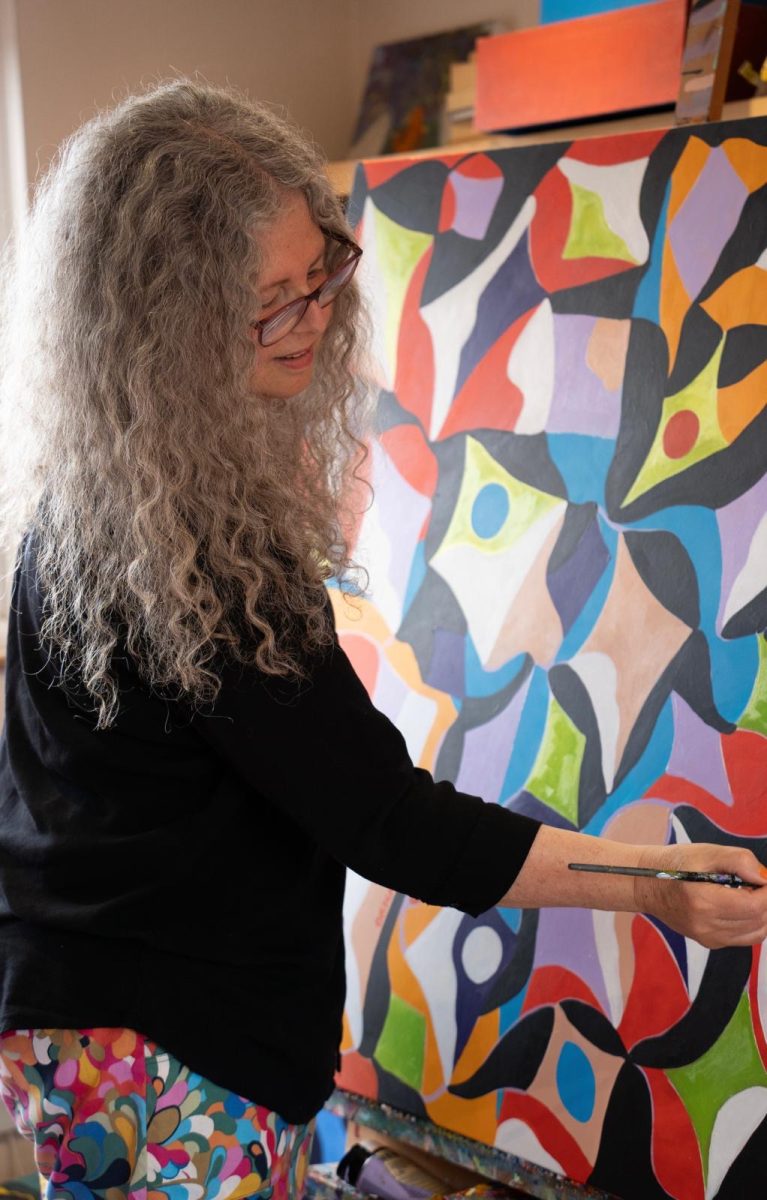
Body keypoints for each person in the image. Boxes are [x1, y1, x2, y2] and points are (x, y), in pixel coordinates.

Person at [0, 80, 765, 1200]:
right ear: (168, 329)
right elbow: (391, 824)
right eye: (272, 303)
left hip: (90, 1021)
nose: (314, 319)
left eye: (320, 276)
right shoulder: (197, 558)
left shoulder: (103, 493)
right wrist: (648, 883)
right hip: (160, 1042)